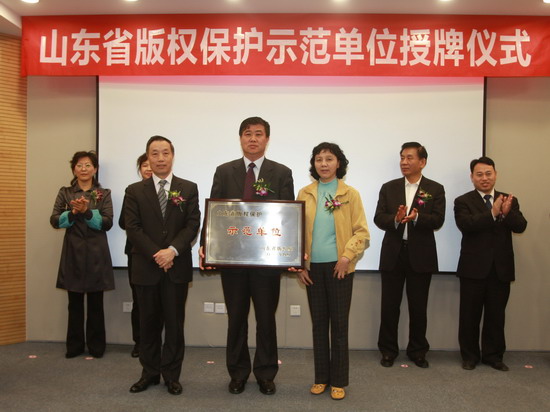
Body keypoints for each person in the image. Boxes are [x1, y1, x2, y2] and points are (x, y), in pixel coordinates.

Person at [200, 116, 294, 396]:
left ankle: (266, 373)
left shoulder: (281, 172)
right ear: (240, 138)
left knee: (266, 319)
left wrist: (291, 250)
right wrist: (206, 244)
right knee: (236, 318)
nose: (253, 139)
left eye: (258, 134)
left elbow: (289, 217)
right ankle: (238, 373)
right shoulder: (224, 171)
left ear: (267, 139)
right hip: (233, 260)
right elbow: (214, 213)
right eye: (248, 134)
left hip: (267, 261)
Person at [124, 135, 200, 395]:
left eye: (165, 153)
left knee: (175, 325)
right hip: (146, 267)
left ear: (172, 156)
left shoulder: (188, 188)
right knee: (148, 325)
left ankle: (171, 375)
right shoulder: (134, 191)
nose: (160, 158)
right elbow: (132, 228)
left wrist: (172, 251)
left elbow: (192, 224)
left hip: (176, 267)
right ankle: (149, 373)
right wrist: (157, 254)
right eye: (154, 153)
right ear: (148, 158)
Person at [295, 142, 370, 401]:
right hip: (312, 269)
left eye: (329, 159)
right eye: (319, 159)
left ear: (339, 163)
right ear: (313, 164)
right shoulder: (305, 193)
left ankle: (338, 381)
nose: (323, 164)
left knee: (338, 326)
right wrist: (299, 264)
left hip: (340, 268)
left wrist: (347, 257)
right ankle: (321, 379)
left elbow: (362, 232)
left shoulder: (350, 194)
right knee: (318, 326)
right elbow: (295, 231)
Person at [374, 142, 445, 368]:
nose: (404, 162)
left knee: (418, 307)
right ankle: (388, 351)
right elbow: (379, 218)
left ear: (422, 162)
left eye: (409, 158)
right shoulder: (389, 187)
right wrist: (395, 219)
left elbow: (438, 220)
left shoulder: (435, 189)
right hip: (393, 254)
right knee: (389, 306)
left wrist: (417, 218)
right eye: (402, 157)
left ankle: (418, 351)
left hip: (421, 255)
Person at [454, 156, 527, 372]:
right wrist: (493, 213)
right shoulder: (463, 201)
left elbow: (521, 226)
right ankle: (469, 357)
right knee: (469, 316)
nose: (484, 178)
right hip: (472, 269)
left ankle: (493, 356)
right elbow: (466, 224)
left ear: (495, 174)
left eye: (488, 173)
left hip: (500, 269)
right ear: (472, 177)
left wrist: (507, 213)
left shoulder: (509, 199)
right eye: (479, 174)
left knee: (496, 316)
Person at [50, 151, 114, 359]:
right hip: (73, 252)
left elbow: (107, 223)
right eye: (79, 165)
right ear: (73, 169)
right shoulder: (66, 192)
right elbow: (55, 220)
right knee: (74, 303)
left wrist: (86, 212)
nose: (84, 169)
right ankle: (74, 346)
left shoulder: (104, 193)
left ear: (95, 169)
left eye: (88, 165)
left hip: (97, 253)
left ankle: (96, 347)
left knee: (96, 303)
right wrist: (73, 213)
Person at [119, 153, 153, 358]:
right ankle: (139, 342)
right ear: (139, 169)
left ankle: (156, 342)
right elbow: (124, 223)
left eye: (150, 164)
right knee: (139, 300)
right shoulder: (132, 191)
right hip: (137, 253)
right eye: (144, 165)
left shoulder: (169, 191)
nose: (148, 168)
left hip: (163, 255)